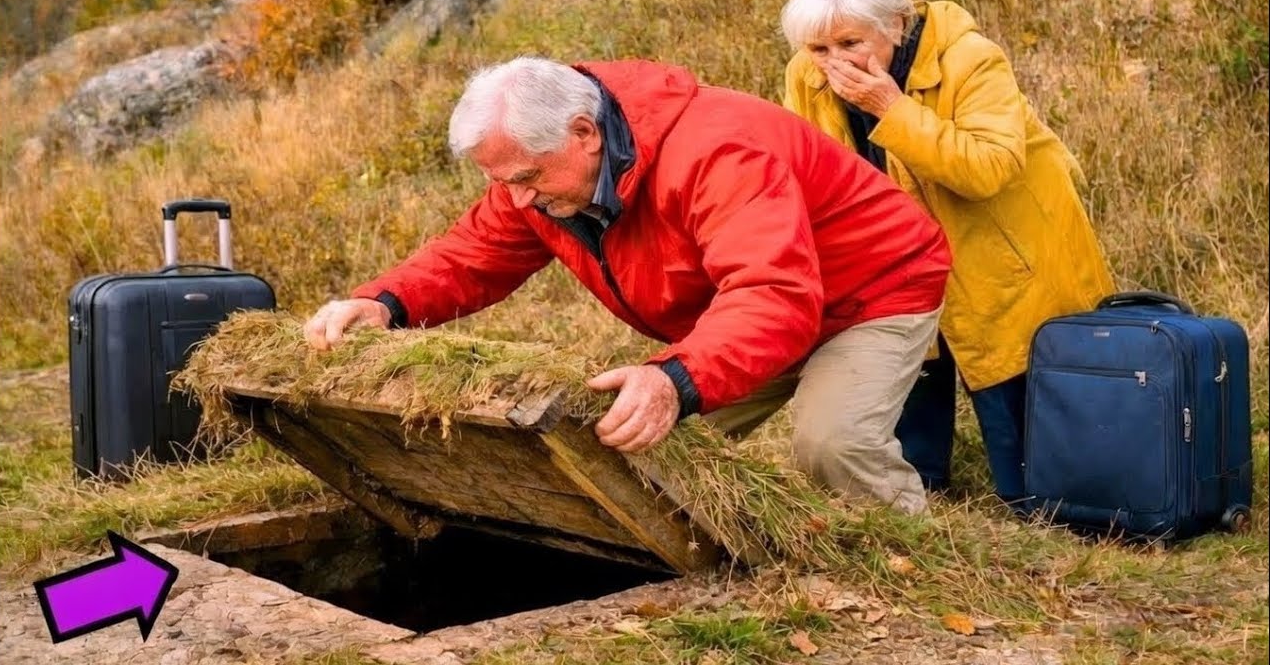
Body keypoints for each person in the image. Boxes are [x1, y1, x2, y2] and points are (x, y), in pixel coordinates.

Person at [303, 56, 953, 515]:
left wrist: (674, 377)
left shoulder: (716, 151)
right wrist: (383, 302)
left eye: (528, 176)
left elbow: (773, 293)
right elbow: (473, 253)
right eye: (504, 183)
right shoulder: (540, 173)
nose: (519, 198)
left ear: (584, 133)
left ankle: (903, 570)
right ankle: (701, 559)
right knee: (638, 438)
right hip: (750, 305)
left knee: (831, 443)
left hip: (871, 286)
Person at [780, 0, 1115, 504]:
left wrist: (890, 108)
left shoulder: (970, 59)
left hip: (1001, 250)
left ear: (895, 25)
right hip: (897, 260)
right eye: (818, 49)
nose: (833, 63)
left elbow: (987, 168)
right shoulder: (808, 74)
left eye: (849, 42)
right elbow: (809, 168)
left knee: (1033, 484)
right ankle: (926, 487)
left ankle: (1058, 495)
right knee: (910, 404)